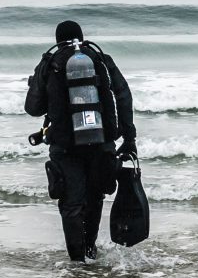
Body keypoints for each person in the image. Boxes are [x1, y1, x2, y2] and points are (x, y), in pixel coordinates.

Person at [25, 20, 137, 262]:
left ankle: (77, 263)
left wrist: (39, 84)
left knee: (71, 204)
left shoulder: (51, 62)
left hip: (65, 146)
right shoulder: (100, 59)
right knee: (95, 197)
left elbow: (33, 108)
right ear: (82, 37)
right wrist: (129, 138)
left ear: (58, 41)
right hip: (101, 142)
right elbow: (123, 95)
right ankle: (90, 251)